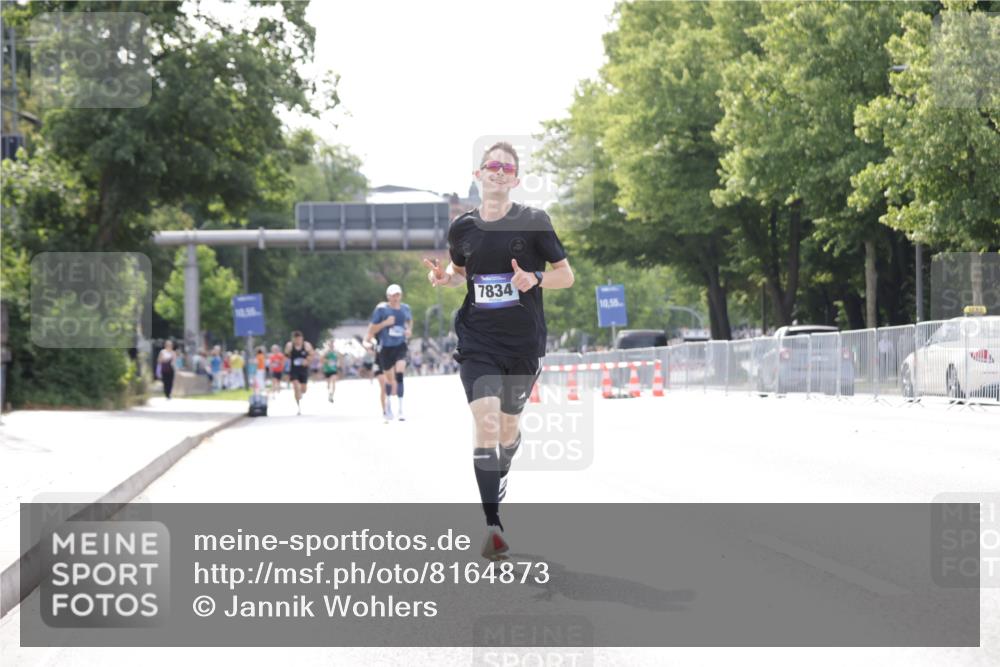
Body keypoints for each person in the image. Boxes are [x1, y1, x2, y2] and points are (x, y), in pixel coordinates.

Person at [423, 140, 575, 560]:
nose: (499, 171)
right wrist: (445, 279)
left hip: (523, 344)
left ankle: (504, 464)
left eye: (507, 168)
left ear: (516, 179)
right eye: (492, 165)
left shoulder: (534, 222)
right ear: (478, 175)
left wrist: (535, 279)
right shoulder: (463, 229)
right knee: (486, 424)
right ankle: (492, 524)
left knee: (507, 430)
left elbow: (567, 275)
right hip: (477, 341)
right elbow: (460, 273)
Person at [365, 284, 413, 421]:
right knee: (389, 380)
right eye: (393, 295)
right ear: (388, 296)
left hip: (400, 345)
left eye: (398, 295)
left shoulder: (406, 308)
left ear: (401, 295)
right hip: (385, 347)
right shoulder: (381, 309)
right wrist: (385, 323)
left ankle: (401, 409)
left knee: (400, 374)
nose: (396, 298)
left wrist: (409, 330)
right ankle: (388, 405)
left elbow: (409, 322)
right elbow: (371, 330)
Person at [284, 331, 314, 415]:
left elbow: (312, 355)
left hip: (303, 370)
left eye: (299, 339)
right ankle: (298, 406)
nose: (298, 341)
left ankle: (300, 394)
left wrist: (307, 360)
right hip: (294, 370)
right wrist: (285, 372)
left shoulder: (306, 345)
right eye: (296, 339)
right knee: (296, 386)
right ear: (293, 339)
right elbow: (286, 357)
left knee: (303, 389)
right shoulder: (290, 346)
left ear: (302, 339)